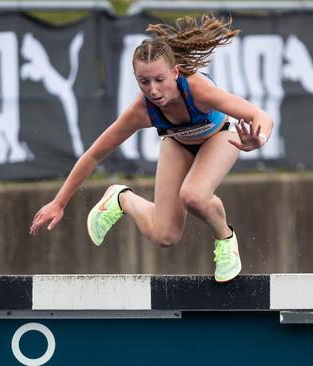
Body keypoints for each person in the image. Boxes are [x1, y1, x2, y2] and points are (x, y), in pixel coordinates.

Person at [30, 15, 273, 282]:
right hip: (177, 142)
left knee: (193, 195)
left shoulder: (199, 90)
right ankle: (123, 199)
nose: (154, 91)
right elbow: (94, 154)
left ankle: (225, 240)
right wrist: (59, 201)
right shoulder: (141, 111)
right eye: (144, 82)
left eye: (159, 79)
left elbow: (261, 116)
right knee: (165, 235)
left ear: (175, 72)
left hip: (220, 137)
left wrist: (257, 140)